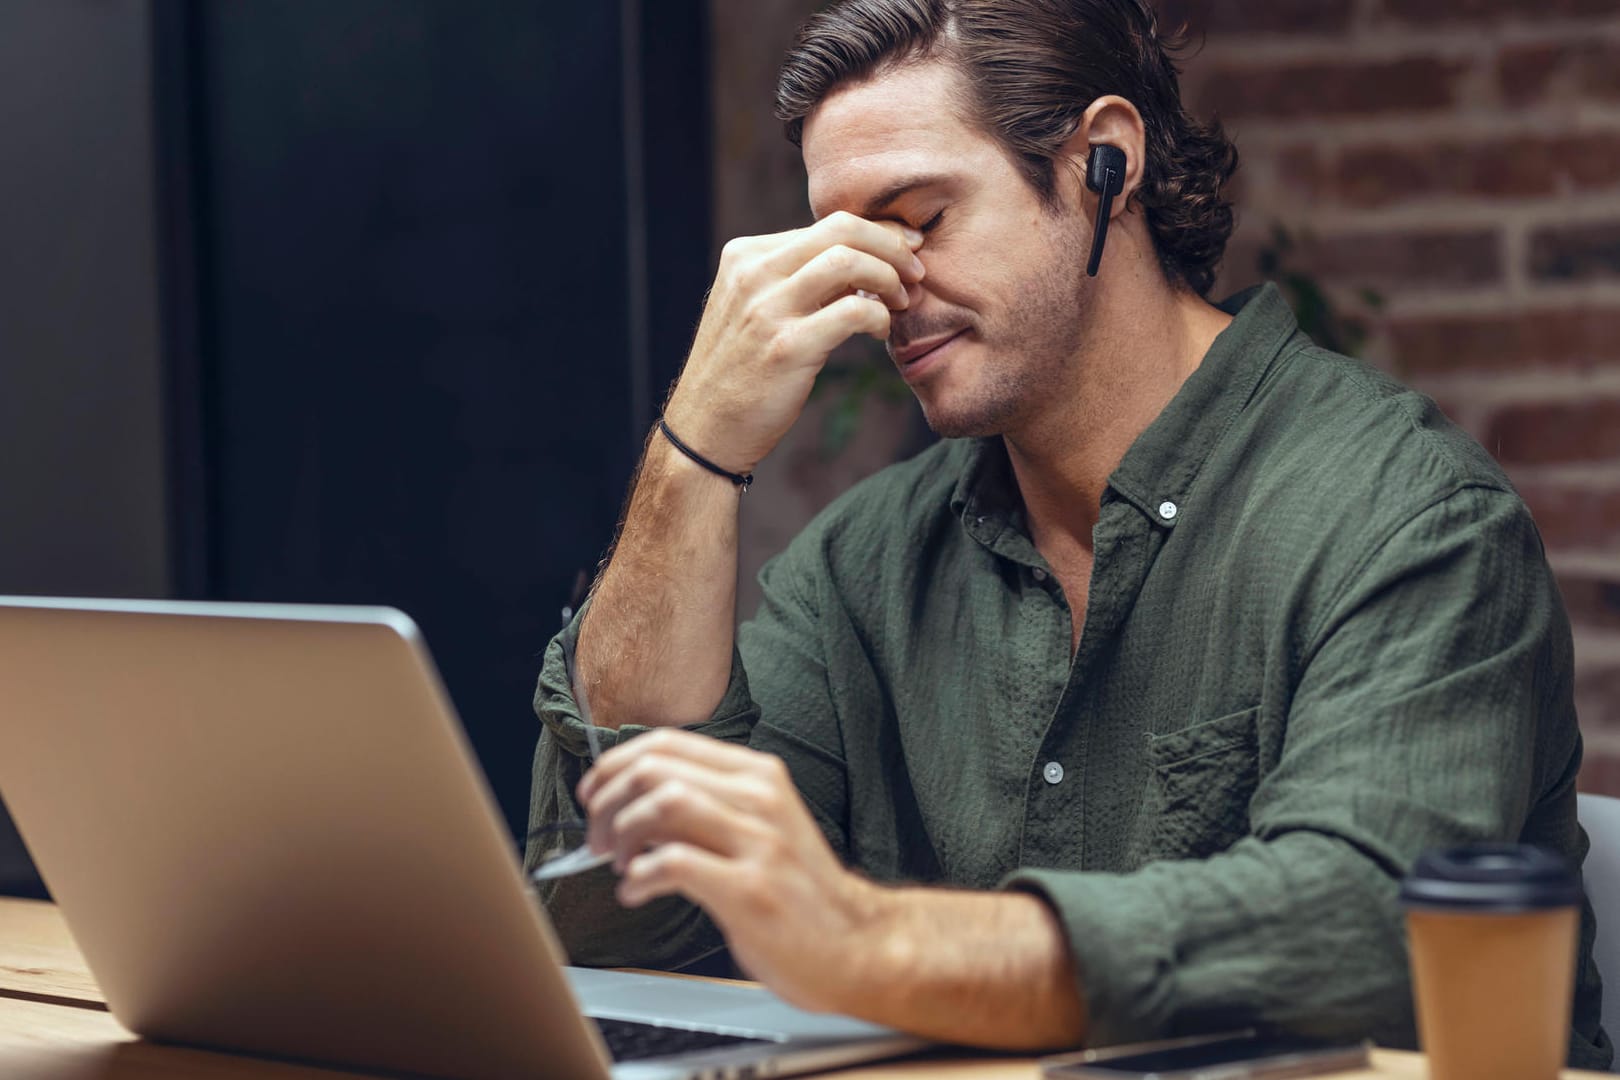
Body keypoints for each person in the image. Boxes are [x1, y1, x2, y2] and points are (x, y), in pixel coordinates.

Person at [525, 0, 1610, 1066]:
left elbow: (1364, 925)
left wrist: (868, 940)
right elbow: (624, 932)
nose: (885, 290)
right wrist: (695, 446)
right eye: (851, 240)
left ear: (1104, 163)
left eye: (921, 218)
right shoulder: (859, 568)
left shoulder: (1411, 521)